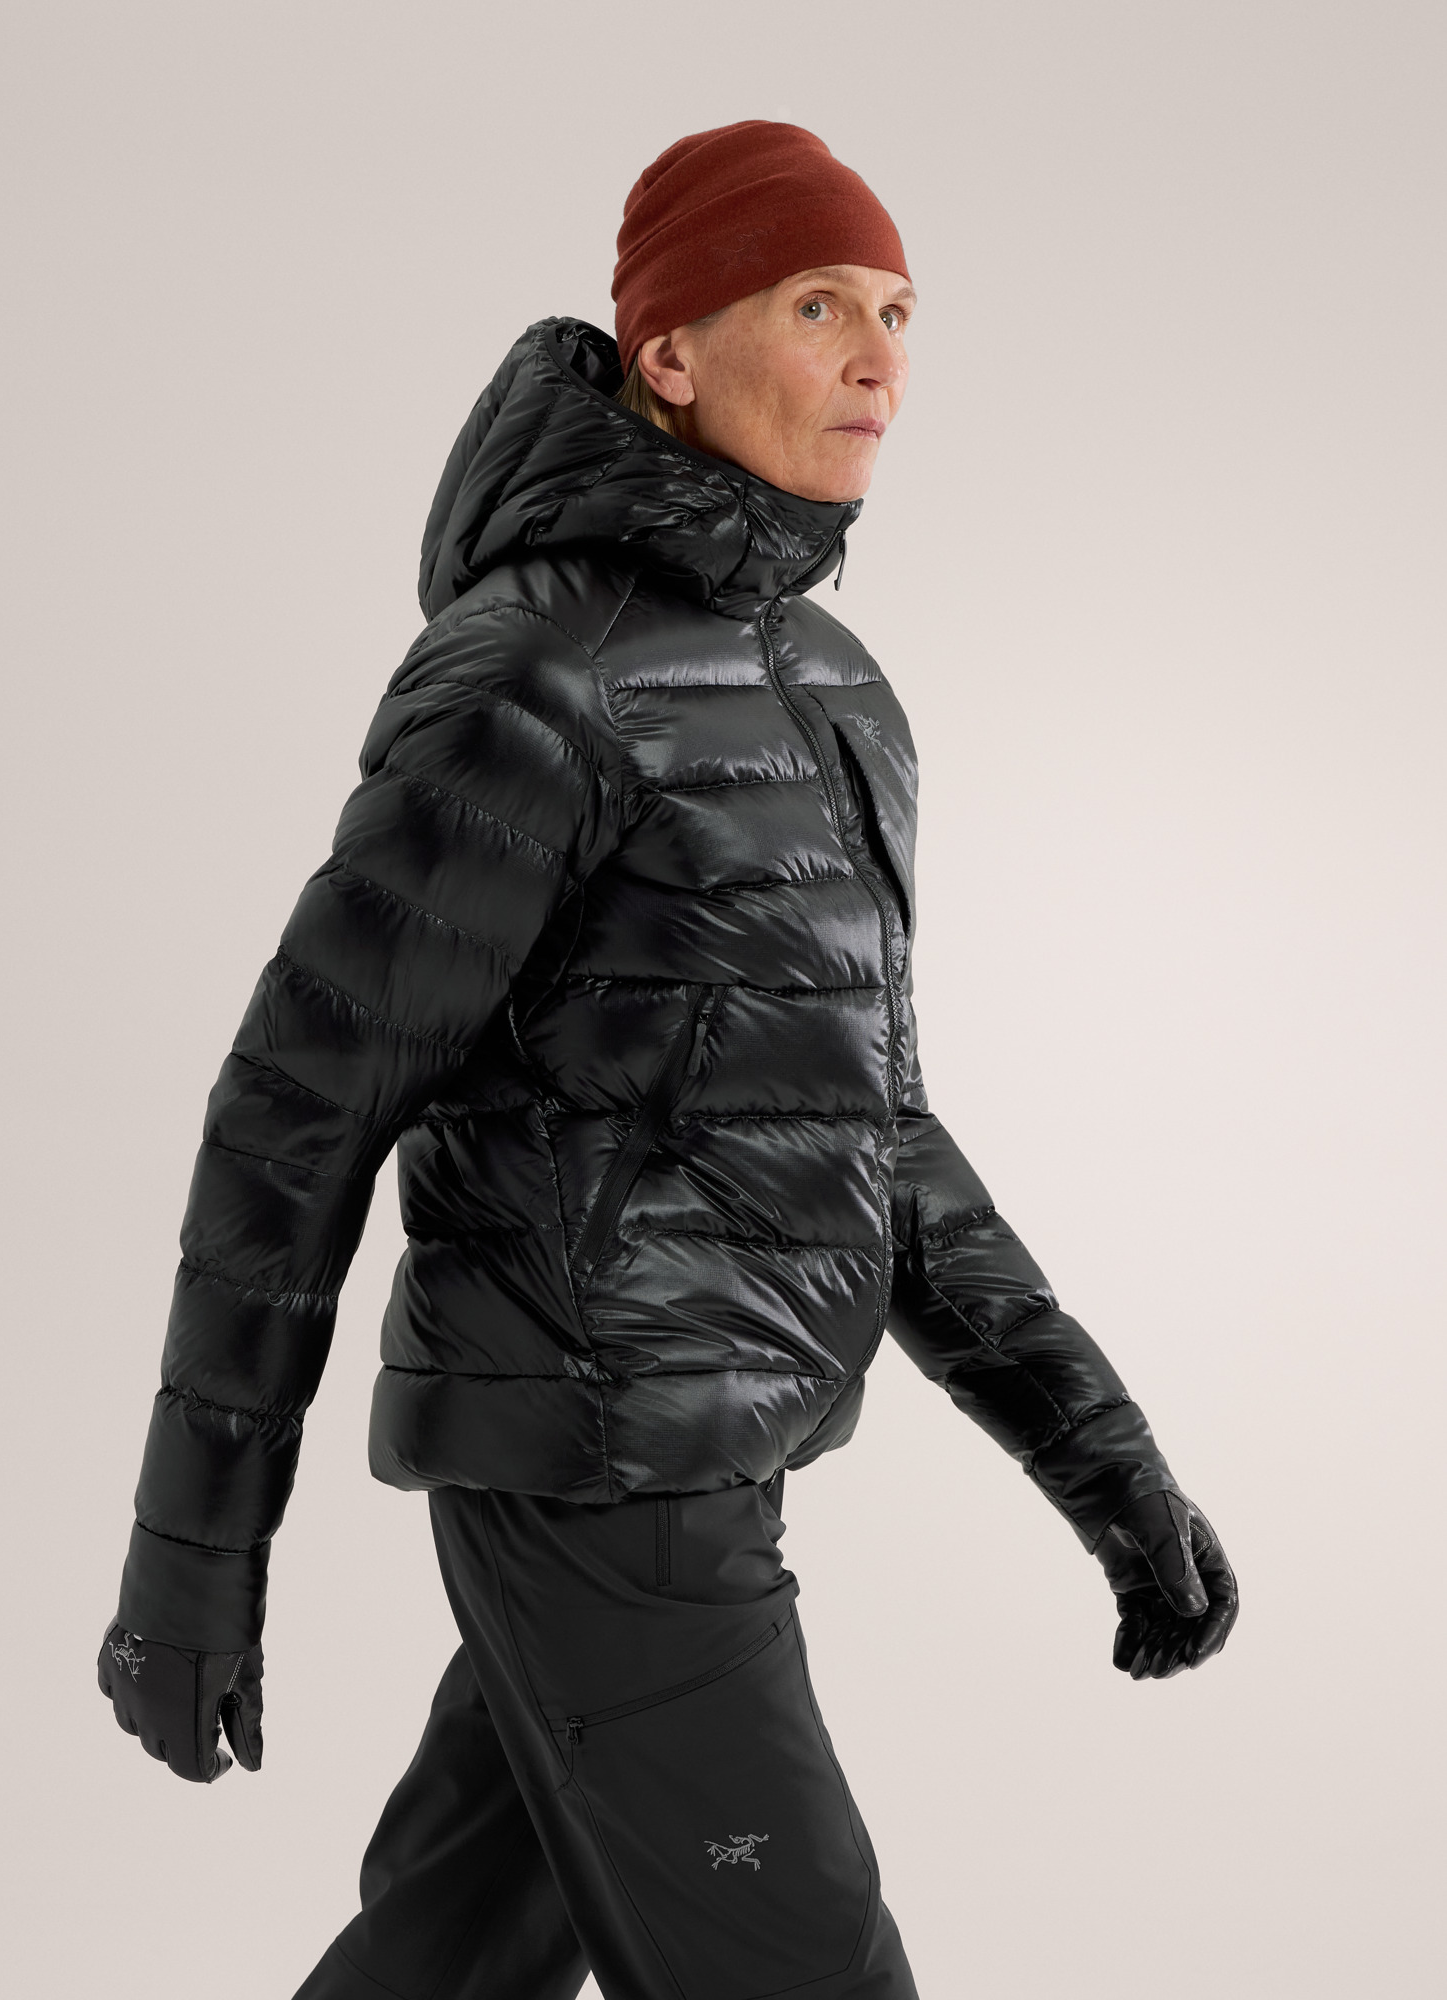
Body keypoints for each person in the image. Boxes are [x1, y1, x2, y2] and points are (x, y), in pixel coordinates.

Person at [98, 121, 1238, 2000]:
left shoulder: (840, 698)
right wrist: (192, 1561)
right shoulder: (537, 675)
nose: (879, 360)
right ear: (672, 353)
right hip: (603, 1472)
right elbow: (297, 1106)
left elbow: (874, 1136)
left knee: (444, 1962)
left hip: (709, 1454)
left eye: (898, 312)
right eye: (819, 306)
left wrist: (1108, 1465)